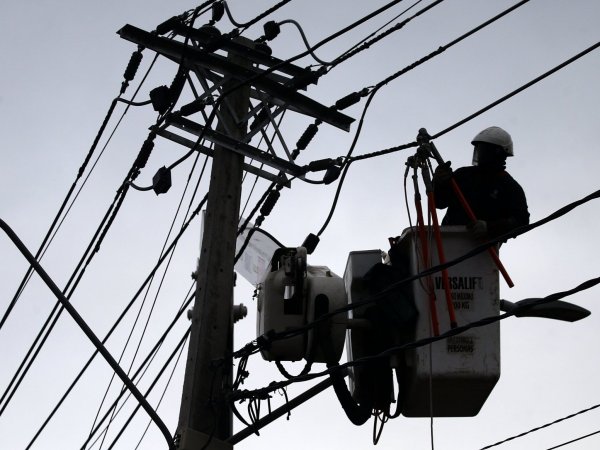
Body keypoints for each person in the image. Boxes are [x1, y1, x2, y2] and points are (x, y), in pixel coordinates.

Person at [433, 126, 529, 240]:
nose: (480, 153)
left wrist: (489, 228)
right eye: (479, 149)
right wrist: (439, 183)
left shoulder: (509, 187)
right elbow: (439, 202)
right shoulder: (463, 174)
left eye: (484, 149)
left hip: (482, 246)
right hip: (449, 240)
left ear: (497, 152)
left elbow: (521, 221)